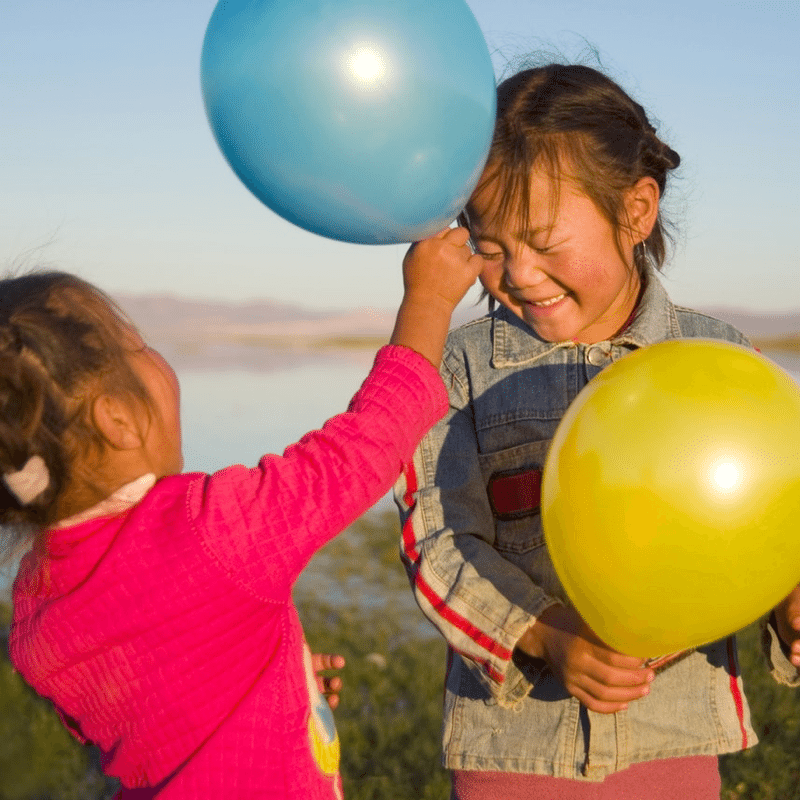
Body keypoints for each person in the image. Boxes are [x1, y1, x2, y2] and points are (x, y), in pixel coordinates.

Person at [394, 62, 800, 800]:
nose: (517, 273)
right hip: (512, 755)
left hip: (675, 743)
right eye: (490, 245)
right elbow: (436, 537)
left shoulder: (724, 365)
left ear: (637, 210)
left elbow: (773, 521)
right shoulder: (459, 369)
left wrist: (790, 599)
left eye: (544, 242)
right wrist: (544, 631)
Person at [1, 230, 482, 799]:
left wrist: (272, 680)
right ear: (117, 421)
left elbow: (138, 711)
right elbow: (369, 443)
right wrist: (427, 301)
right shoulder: (211, 528)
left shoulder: (36, 605)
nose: (158, 356)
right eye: (139, 347)